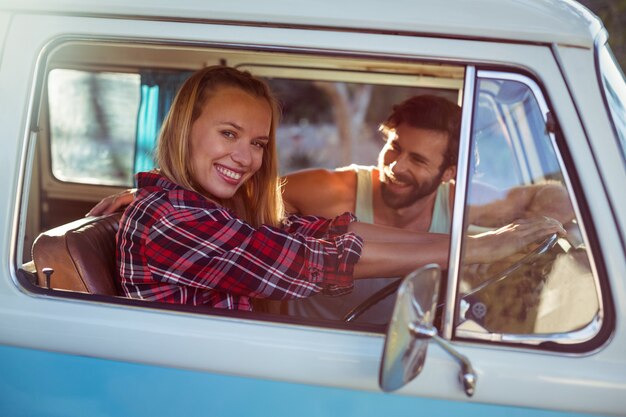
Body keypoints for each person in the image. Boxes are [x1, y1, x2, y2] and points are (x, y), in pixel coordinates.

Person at [100, 73, 566, 317]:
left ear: (448, 174)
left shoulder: (210, 210)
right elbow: (300, 259)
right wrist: (474, 250)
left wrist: (476, 246)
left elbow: (319, 232)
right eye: (228, 133)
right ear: (186, 128)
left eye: (258, 144)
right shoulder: (172, 218)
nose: (244, 157)